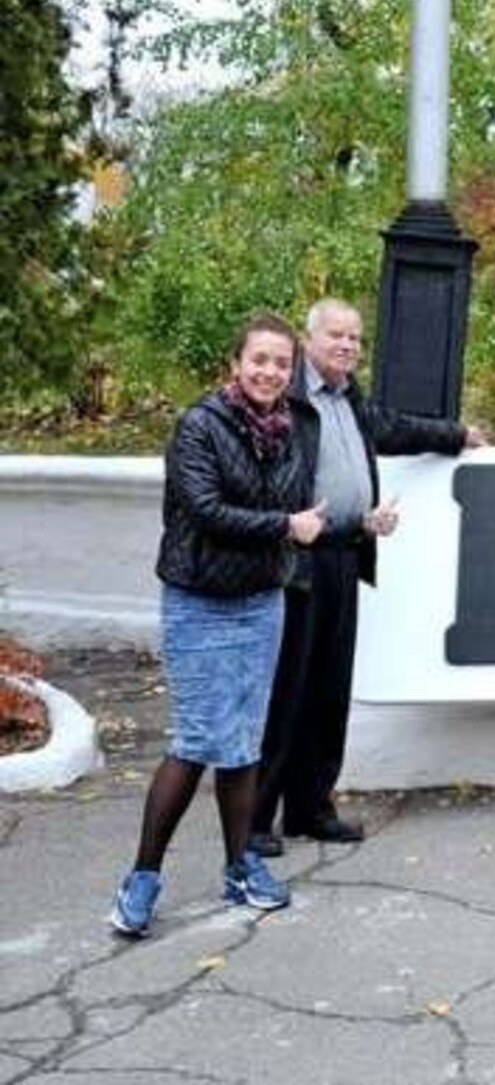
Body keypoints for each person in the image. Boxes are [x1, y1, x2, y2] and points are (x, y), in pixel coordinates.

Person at [110, 314, 326, 937]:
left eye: (282, 363)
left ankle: (240, 866)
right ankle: (142, 877)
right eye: (259, 359)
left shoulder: (289, 431)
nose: (270, 372)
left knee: (245, 740)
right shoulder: (199, 425)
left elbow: (300, 510)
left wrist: (359, 523)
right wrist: (287, 528)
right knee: (197, 738)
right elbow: (206, 511)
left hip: (262, 601)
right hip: (200, 601)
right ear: (235, 363)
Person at [249, 298, 486, 857]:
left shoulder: (348, 398)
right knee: (287, 692)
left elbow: (392, 428)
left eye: (356, 338)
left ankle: (311, 808)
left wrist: (456, 435)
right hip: (295, 560)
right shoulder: (286, 394)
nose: (349, 346)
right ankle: (256, 818)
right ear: (310, 340)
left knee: (329, 690)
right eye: (337, 335)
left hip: (346, 552)